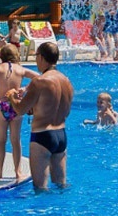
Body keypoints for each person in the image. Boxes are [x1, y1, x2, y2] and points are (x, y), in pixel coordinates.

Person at [6, 42, 73, 192]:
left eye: (36, 56)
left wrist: (11, 97)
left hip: (42, 136)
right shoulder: (67, 82)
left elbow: (20, 109)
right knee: (61, 187)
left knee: (40, 189)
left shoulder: (40, 81)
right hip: (61, 135)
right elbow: (64, 111)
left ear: (41, 57)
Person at [0, 44, 35, 179]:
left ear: (1, 56)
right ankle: (18, 172)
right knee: (16, 140)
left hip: (2, 106)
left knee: (1, 140)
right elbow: (38, 77)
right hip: (16, 106)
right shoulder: (20, 69)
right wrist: (25, 88)